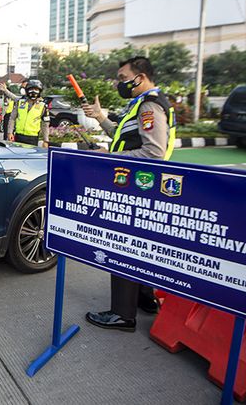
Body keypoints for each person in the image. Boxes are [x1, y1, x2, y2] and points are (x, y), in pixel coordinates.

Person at [82, 56, 176, 332]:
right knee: (139, 245)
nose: (119, 82)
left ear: (141, 77)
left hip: (139, 185)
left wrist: (110, 156)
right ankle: (144, 299)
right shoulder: (139, 105)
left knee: (123, 245)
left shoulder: (149, 105)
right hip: (140, 185)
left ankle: (122, 314)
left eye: (123, 77)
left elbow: (153, 152)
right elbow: (122, 136)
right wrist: (100, 117)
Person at [7, 80, 49, 147]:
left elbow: (45, 125)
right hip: (18, 136)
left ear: (40, 91)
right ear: (27, 90)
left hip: (32, 138)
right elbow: (12, 118)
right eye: (31, 89)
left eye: (36, 89)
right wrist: (9, 132)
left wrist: (45, 141)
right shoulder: (20, 103)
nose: (33, 91)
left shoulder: (43, 106)